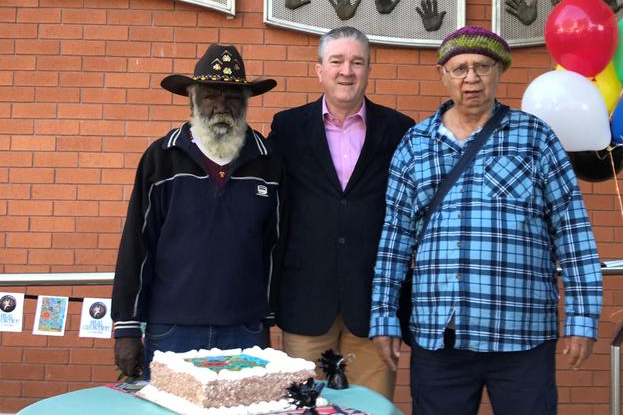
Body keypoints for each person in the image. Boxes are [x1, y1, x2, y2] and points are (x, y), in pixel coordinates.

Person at [370, 26, 602, 414]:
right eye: (459, 68)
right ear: (443, 74)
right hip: (439, 336)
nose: (471, 78)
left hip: (521, 336)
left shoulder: (536, 138)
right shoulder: (415, 144)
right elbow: (394, 238)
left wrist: (583, 318)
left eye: (482, 66)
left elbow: (573, 232)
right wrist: (383, 314)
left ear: (500, 71)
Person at [111, 44, 281, 379]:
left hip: (244, 330)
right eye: (210, 94)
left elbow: (274, 247)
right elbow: (137, 247)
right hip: (172, 330)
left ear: (246, 101)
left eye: (233, 95)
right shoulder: (161, 158)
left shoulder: (268, 161)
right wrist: (127, 328)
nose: (221, 104)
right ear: (192, 99)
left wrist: (269, 320)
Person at [269, 26, 414, 400]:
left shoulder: (400, 130)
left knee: (371, 406)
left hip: (375, 301)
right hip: (305, 298)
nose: (346, 71)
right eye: (336, 61)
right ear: (319, 70)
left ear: (368, 70)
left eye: (357, 62)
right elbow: (271, 208)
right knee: (302, 406)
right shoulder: (287, 128)